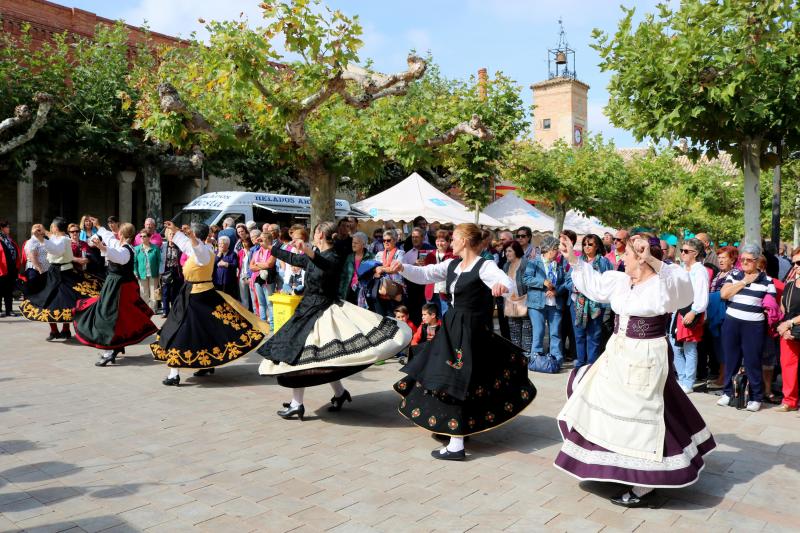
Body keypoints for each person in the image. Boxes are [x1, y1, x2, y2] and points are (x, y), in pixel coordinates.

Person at [554, 235, 715, 508]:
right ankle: (617, 467)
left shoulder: (662, 284)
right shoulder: (621, 281)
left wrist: (651, 258)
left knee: (643, 416)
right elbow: (594, 286)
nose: (623, 259)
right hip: (618, 350)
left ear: (642, 260)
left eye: (628, 255)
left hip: (645, 355)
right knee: (596, 398)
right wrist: (573, 257)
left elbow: (683, 292)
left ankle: (644, 483)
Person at [389, 223, 536, 461]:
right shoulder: (451, 264)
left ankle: (456, 444)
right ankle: (454, 429)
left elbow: (506, 282)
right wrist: (402, 267)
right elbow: (426, 274)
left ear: (465, 241)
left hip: (471, 331)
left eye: (454, 238)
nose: (450, 241)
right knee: (445, 376)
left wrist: (503, 287)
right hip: (452, 327)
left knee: (457, 381)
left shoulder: (484, 265)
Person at [257, 221, 412, 419]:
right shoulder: (316, 254)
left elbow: (325, 265)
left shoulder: (334, 255)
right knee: (321, 359)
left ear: (320, 234)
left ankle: (297, 404)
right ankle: (339, 393)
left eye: (315, 232)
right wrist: (272, 248)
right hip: (307, 309)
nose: (313, 235)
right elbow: (296, 259)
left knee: (300, 358)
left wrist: (308, 251)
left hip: (323, 310)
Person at [151, 221, 268, 385]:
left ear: (195, 235)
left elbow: (196, 249)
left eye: (191, 233)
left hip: (197, 297)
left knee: (180, 332)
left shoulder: (203, 252)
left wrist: (190, 236)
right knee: (203, 332)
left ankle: (174, 373)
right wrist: (175, 230)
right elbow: (186, 245)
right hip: (194, 294)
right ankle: (205, 366)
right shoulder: (200, 248)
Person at [74, 220, 158, 366]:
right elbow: (108, 238)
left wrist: (103, 248)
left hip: (119, 288)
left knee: (108, 317)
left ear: (121, 234)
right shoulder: (119, 244)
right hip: (115, 285)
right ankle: (115, 346)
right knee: (116, 317)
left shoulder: (126, 250)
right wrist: (99, 228)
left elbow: (117, 256)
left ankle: (109, 351)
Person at [20, 217, 102, 339]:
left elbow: (56, 250)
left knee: (65, 301)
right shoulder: (56, 237)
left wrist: (41, 238)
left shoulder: (65, 239)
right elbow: (51, 239)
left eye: (52, 226)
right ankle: (54, 331)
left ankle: (65, 329)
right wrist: (43, 233)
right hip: (53, 272)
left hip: (65, 273)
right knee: (48, 300)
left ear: (56, 228)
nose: (50, 228)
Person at [717, 244, 775, 412]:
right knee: (731, 359)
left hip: (754, 325)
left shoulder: (767, 281)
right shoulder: (735, 274)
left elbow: (770, 306)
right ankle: (728, 393)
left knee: (752, 361)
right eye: (742, 260)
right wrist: (743, 282)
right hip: (732, 322)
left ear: (757, 261)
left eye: (748, 260)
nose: (744, 263)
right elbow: (724, 294)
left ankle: (756, 397)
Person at [670, 238, 710, 394]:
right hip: (678, 310)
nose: (683, 253)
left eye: (686, 251)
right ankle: (682, 377)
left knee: (689, 346)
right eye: (682, 250)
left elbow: (702, 294)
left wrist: (694, 311)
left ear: (696, 253)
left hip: (691, 311)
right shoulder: (683, 268)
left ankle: (688, 381)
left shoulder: (699, 270)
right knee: (675, 345)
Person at [525, 235, 570, 371]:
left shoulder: (559, 264)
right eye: (556, 248)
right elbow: (526, 279)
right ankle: (536, 360)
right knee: (538, 332)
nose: (557, 251)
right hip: (537, 304)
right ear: (548, 249)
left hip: (555, 304)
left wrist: (557, 291)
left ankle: (556, 360)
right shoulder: (534, 262)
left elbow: (565, 282)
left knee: (555, 333)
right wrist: (542, 282)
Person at [567, 234, 613, 368]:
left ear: (597, 246)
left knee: (593, 336)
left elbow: (607, 282)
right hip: (577, 303)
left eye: (590, 244)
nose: (587, 247)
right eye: (585, 244)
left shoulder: (604, 262)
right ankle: (580, 363)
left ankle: (591, 364)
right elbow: (567, 280)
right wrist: (574, 286)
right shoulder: (576, 260)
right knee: (579, 335)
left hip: (596, 304)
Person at [777, 247, 800, 412]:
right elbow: (783, 308)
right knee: (788, 366)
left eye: (799, 262)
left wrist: (790, 323)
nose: (796, 266)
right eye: (794, 263)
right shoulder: (790, 284)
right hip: (789, 331)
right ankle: (789, 401)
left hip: (793, 326)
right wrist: (783, 327)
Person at [502, 241, 531, 357]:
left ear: (516, 251)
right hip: (510, 301)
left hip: (524, 299)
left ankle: (526, 355)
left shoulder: (525, 264)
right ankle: (517, 355)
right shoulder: (506, 266)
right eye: (505, 251)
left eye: (509, 251)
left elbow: (529, 283)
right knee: (514, 330)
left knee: (526, 329)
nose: (506, 253)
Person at [402, 227, 435, 325]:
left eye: (417, 237)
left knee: (428, 311)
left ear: (422, 238)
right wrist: (414, 266)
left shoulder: (431, 251)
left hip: (427, 286)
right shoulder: (407, 254)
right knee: (415, 313)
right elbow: (404, 271)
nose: (414, 239)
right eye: (413, 237)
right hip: (413, 289)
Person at [373, 229, 405, 318]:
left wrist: (382, 269)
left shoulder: (400, 253)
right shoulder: (379, 254)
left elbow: (395, 268)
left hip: (394, 290)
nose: (386, 242)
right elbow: (374, 268)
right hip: (380, 289)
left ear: (394, 240)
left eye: (388, 240)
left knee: (393, 318)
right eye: (384, 240)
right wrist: (379, 269)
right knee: (380, 317)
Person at [424, 230, 455, 317]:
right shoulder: (430, 255)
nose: (439, 243)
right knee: (431, 317)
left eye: (442, 241)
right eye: (437, 240)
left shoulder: (453, 255)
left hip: (445, 292)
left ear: (448, 242)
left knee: (445, 316)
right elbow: (426, 272)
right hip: (431, 291)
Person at [339, 231, 374, 307]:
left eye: (356, 243)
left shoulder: (371, 257)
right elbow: (343, 276)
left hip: (363, 291)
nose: (353, 245)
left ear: (363, 244)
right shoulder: (349, 257)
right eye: (353, 242)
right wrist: (340, 292)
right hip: (349, 290)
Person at [133, 231, 161, 313]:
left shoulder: (155, 248)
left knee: (154, 292)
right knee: (143, 292)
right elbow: (134, 262)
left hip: (154, 273)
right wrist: (135, 272)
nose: (142, 238)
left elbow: (159, 260)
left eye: (144, 236)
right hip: (142, 274)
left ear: (149, 237)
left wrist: (160, 272)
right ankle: (145, 310)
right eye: (141, 236)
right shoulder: (136, 249)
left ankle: (153, 309)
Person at [159, 228, 183, 318]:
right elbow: (160, 259)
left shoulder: (179, 247)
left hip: (176, 271)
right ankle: (165, 311)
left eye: (173, 235)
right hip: (166, 271)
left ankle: (174, 311)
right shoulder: (163, 246)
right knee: (165, 292)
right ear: (167, 236)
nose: (172, 236)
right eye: (170, 234)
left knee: (174, 292)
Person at [0, 220, 22, 317]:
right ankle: (0, 310)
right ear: (2, 228)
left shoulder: (9, 239)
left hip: (11, 269)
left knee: (9, 290)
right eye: (7, 227)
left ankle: (9, 310)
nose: (9, 228)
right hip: (1, 268)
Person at [234, 225, 254, 312]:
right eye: (238, 232)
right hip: (242, 275)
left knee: (254, 297)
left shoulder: (252, 250)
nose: (240, 233)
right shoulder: (240, 249)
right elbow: (238, 263)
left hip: (251, 275)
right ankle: (246, 314)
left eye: (242, 231)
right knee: (244, 297)